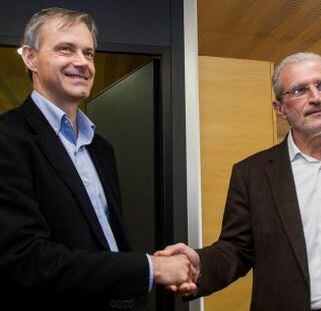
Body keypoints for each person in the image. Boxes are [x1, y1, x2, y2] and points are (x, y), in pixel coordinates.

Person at [157, 52, 321, 310]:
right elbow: (237, 249)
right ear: (279, 109)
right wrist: (199, 264)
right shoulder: (252, 174)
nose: (316, 97)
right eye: (300, 90)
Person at [0, 7, 195, 311]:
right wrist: (151, 269)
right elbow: (25, 259)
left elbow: (109, 244)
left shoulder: (101, 148)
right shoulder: (8, 139)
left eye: (88, 53)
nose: (82, 62)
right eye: (66, 49)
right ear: (30, 57)